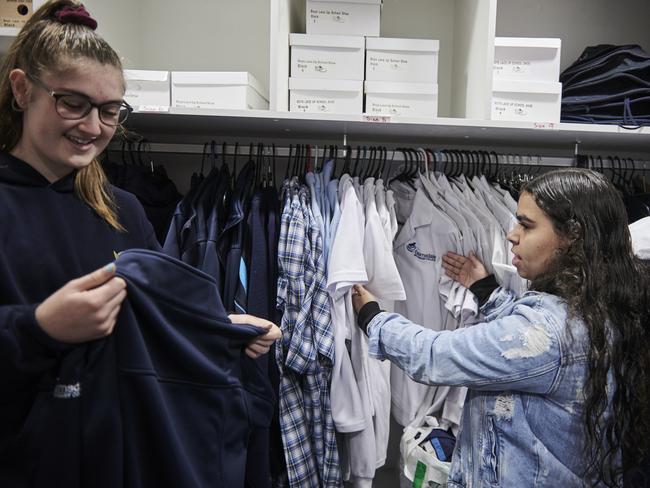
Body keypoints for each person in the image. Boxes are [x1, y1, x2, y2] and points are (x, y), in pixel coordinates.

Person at [0, 0, 281, 485]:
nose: (93, 127)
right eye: (73, 103)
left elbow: (158, 325)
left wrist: (223, 331)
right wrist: (39, 327)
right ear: (23, 90)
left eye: (110, 111)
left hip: (119, 461)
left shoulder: (124, 211)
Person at [352, 168, 650, 487]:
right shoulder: (608, 307)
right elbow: (529, 347)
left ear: (571, 237)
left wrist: (373, 317)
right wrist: (486, 290)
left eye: (526, 224)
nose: (511, 234)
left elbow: (435, 356)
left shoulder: (552, 331)